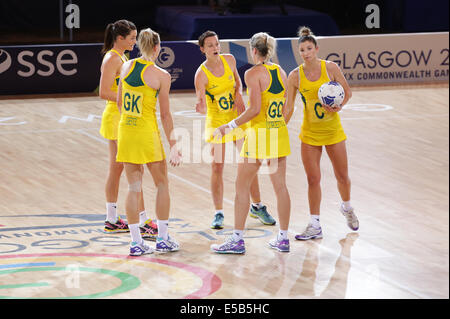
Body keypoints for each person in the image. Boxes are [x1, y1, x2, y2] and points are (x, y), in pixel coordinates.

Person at [210, 32, 291, 254]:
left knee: (241, 186)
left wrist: (230, 125)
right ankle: (283, 238)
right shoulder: (281, 72)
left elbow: (254, 109)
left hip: (259, 135)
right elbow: (284, 108)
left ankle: (237, 240)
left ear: (253, 50)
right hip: (278, 132)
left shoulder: (253, 73)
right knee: (281, 187)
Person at [194, 30, 276, 229]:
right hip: (217, 122)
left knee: (249, 162)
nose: (215, 48)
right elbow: (201, 101)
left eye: (217, 44)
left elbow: (237, 82)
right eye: (211, 45)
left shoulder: (229, 60)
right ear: (203, 49)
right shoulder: (201, 74)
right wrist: (201, 106)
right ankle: (218, 212)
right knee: (217, 167)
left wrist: (238, 94)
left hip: (236, 119)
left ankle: (257, 206)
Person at [284, 26, 359, 240]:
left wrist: (339, 106)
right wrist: (277, 127)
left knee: (342, 177)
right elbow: (288, 107)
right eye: (302, 50)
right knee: (312, 179)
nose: (306, 53)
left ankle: (347, 207)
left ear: (316, 49)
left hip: (333, 131)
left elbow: (348, 93)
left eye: (309, 48)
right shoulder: (295, 76)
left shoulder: (331, 68)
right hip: (309, 134)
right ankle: (315, 224)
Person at [116, 27, 182, 256]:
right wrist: (174, 144)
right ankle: (162, 238)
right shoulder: (161, 76)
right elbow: (165, 115)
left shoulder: (125, 66)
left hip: (126, 131)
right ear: (157, 48)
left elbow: (119, 103)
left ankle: (136, 242)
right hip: (146, 133)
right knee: (161, 184)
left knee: (133, 187)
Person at [99, 20, 158, 240]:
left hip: (119, 117)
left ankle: (112, 219)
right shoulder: (112, 58)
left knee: (116, 170)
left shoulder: (121, 57)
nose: (135, 41)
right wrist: (131, 99)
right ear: (120, 38)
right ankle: (142, 221)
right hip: (116, 119)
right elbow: (104, 92)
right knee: (135, 171)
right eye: (132, 38)